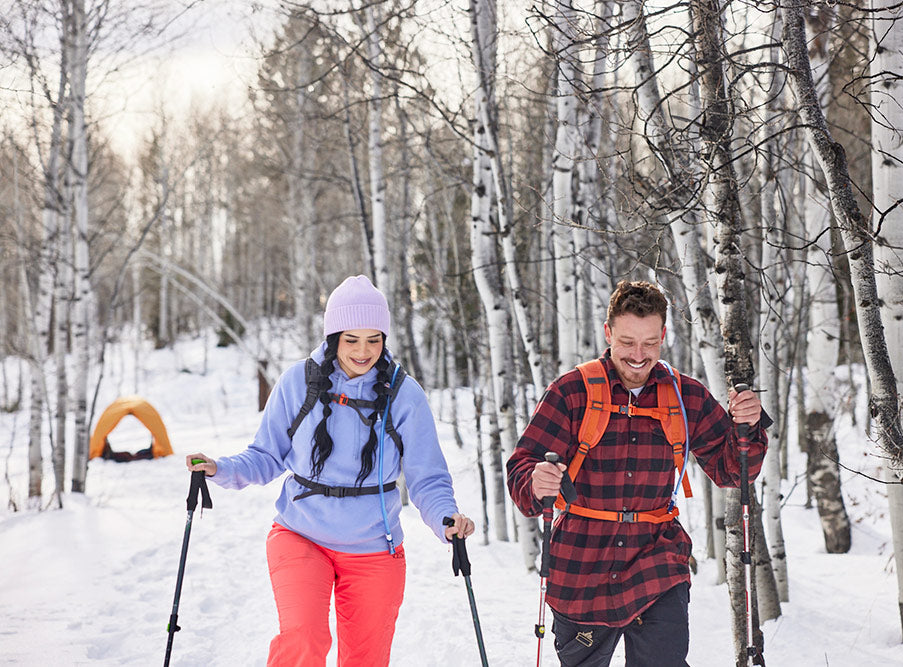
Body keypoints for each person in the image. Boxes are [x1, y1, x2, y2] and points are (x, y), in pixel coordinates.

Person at [187, 275, 474, 667]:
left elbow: (427, 476)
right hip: (301, 533)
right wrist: (221, 468)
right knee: (302, 640)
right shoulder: (298, 383)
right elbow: (266, 456)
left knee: (366, 659)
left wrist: (446, 519)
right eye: (351, 339)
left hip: (375, 545)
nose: (363, 351)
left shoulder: (403, 394)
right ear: (333, 336)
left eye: (374, 339)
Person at [506, 279, 768, 666]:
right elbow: (522, 467)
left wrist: (749, 425)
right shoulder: (572, 391)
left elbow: (732, 471)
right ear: (608, 332)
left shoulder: (685, 395)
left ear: (663, 335)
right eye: (627, 342)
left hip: (657, 563)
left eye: (650, 342)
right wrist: (536, 480)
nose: (638, 355)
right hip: (581, 568)